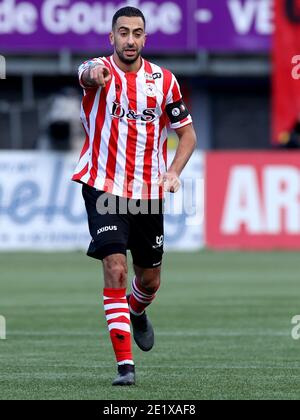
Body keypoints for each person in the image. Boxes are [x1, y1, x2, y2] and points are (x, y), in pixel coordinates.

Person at [72, 6, 197, 386]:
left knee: (151, 280)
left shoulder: (164, 81)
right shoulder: (97, 70)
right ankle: (125, 367)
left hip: (146, 193)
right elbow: (85, 73)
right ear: (112, 38)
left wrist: (173, 173)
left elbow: (187, 136)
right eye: (123, 32)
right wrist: (94, 74)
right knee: (115, 267)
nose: (130, 39)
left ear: (145, 38)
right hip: (103, 185)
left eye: (137, 33)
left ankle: (136, 312)